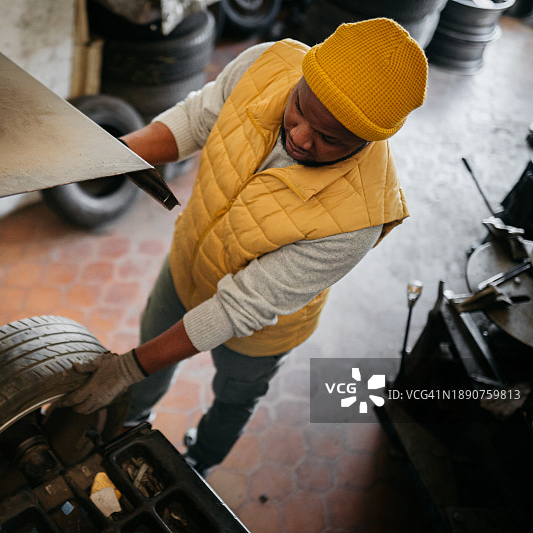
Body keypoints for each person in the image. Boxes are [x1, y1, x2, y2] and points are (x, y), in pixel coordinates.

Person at [60, 17, 428, 476]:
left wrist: (128, 368)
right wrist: (106, 157)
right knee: (148, 353)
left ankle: (202, 458)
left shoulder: (360, 217)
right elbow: (197, 120)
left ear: (369, 140)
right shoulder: (268, 65)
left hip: (258, 330)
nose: (299, 136)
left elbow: (240, 307)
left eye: (329, 138)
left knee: (234, 394)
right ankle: (131, 423)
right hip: (188, 263)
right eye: (299, 107)